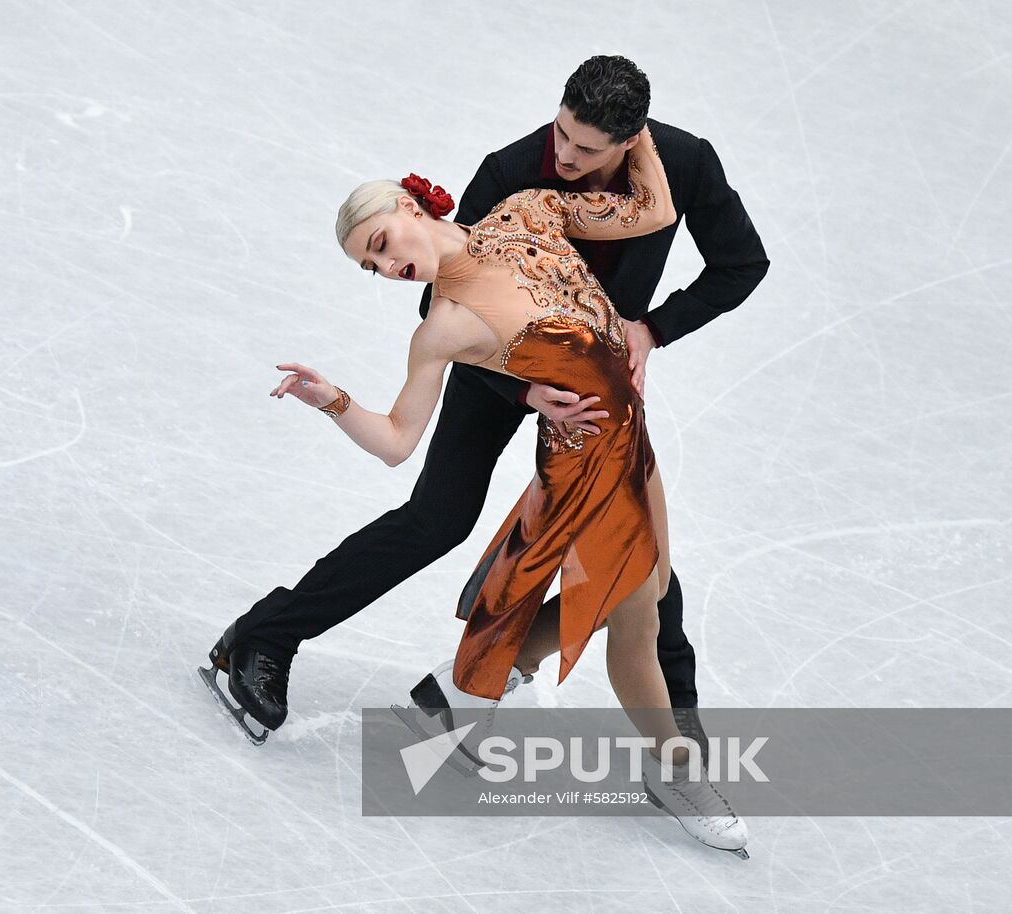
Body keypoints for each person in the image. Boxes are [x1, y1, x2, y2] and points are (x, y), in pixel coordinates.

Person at [201, 57, 767, 743]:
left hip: (593, 390)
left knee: (639, 554)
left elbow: (742, 263)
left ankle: (672, 734)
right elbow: (440, 295)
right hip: (498, 368)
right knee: (437, 521)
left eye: (585, 148)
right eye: (561, 133)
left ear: (629, 138)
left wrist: (651, 329)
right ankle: (267, 635)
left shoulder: (679, 163)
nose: (563, 155)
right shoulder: (512, 173)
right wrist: (526, 385)